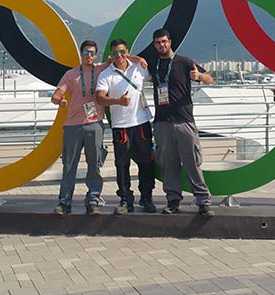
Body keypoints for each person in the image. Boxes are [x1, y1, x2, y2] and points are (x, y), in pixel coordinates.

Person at [148, 28, 216, 218]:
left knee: (192, 162)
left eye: (164, 41)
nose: (161, 45)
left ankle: (203, 201)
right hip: (162, 122)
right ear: (154, 45)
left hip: (184, 120)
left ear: (170, 42)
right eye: (158, 42)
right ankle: (173, 201)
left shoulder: (185, 62)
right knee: (169, 164)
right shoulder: (153, 65)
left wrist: (199, 77)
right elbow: (135, 64)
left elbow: (210, 79)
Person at [96, 38, 157, 214]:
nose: (119, 56)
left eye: (122, 52)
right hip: (120, 126)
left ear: (127, 51)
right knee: (122, 164)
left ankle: (147, 197)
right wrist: (117, 101)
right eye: (115, 53)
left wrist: (138, 59)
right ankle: (125, 199)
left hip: (142, 123)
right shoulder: (106, 74)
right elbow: (99, 97)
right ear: (111, 55)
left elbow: (155, 77)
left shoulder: (138, 68)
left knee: (146, 162)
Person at [51, 40, 109, 216]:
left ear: (96, 55)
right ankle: (64, 202)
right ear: (81, 54)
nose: (89, 56)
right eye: (85, 53)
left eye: (92, 53)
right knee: (69, 166)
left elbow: (121, 57)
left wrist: (140, 60)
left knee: (95, 165)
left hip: (95, 124)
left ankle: (93, 200)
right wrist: (59, 100)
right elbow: (56, 95)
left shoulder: (101, 69)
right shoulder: (70, 74)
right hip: (72, 126)